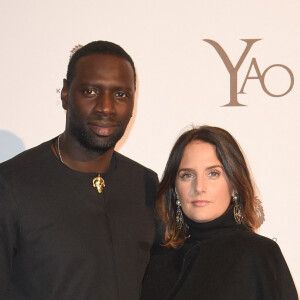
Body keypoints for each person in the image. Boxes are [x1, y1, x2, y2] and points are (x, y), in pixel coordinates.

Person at [0, 41, 158, 299]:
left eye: (120, 94)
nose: (106, 107)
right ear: (65, 94)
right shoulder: (11, 185)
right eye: (91, 91)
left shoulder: (144, 184)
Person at [141, 125, 298, 300]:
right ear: (175, 188)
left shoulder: (259, 254)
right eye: (187, 175)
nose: (199, 187)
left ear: (234, 185)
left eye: (213, 173)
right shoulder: (156, 260)